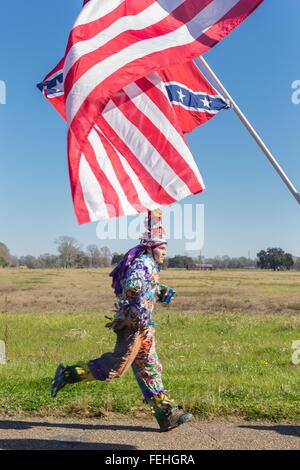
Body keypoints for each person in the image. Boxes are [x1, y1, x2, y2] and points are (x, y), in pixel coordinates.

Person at [51, 210, 192, 432]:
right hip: (133, 326)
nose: (165, 252)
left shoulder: (150, 264)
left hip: (144, 327)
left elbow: (144, 287)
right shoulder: (143, 263)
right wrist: (142, 292)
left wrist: (159, 291)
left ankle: (166, 414)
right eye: (163, 248)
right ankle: (67, 374)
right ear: (151, 247)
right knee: (116, 367)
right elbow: (131, 287)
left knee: (151, 368)